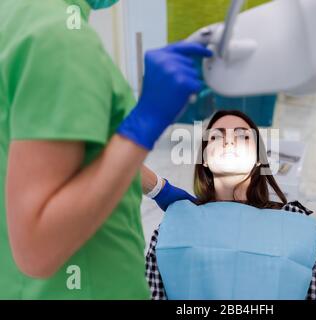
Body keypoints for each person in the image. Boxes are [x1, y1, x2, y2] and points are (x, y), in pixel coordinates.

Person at [0, 0, 211, 299]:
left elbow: (67, 155)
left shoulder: (17, 18)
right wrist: (145, 121)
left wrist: (158, 188)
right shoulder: (60, 38)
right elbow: (37, 247)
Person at [143, 110, 316, 300]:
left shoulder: (298, 225)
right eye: (216, 136)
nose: (229, 141)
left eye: (242, 136)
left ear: (259, 159)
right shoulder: (171, 228)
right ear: (205, 160)